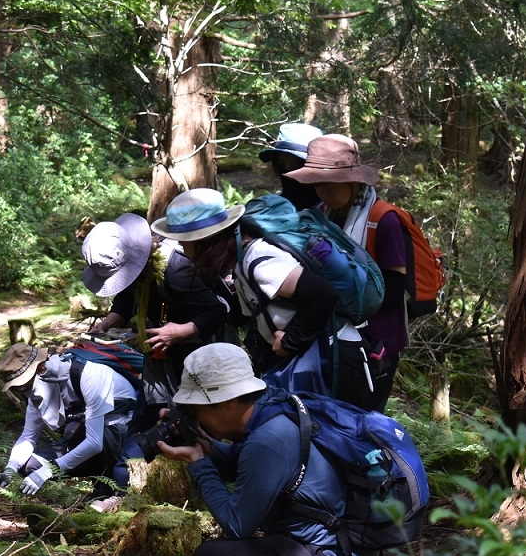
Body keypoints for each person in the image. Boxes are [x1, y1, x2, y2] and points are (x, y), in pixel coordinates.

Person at [155, 343, 367, 556]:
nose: (196, 417)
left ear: (228, 402)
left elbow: (237, 525)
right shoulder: (274, 408)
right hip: (340, 555)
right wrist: (202, 442)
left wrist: (198, 462)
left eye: (197, 409)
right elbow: (248, 467)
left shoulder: (267, 440)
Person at [151, 188, 373, 408]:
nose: (180, 245)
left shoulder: (261, 261)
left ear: (204, 242)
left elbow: (324, 295)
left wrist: (290, 341)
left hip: (334, 359)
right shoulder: (239, 259)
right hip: (317, 356)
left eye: (184, 240)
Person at [284, 134, 408, 412]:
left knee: (363, 418)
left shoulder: (383, 220)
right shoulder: (322, 214)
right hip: (336, 339)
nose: (323, 193)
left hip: (378, 343)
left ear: (353, 181)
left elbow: (395, 287)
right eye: (317, 186)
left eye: (329, 185)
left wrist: (346, 300)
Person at [81, 212, 234, 409]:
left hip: (197, 352)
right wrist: (107, 324)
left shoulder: (177, 271)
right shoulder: (136, 269)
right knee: (152, 413)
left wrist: (179, 332)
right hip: (161, 350)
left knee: (190, 411)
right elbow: (127, 299)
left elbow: (218, 311)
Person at [0, 342, 138, 493]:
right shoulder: (37, 392)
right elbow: (28, 437)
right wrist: (9, 470)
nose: (22, 391)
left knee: (73, 431)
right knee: (30, 466)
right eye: (16, 389)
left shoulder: (90, 375)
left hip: (126, 435)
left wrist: (48, 471)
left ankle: (108, 489)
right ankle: (100, 482)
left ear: (41, 369)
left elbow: (94, 443)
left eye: (23, 385)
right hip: (91, 438)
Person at [258, 121, 323, 211]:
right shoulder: (270, 206)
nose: (287, 169)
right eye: (282, 164)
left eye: (295, 164)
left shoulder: (332, 209)